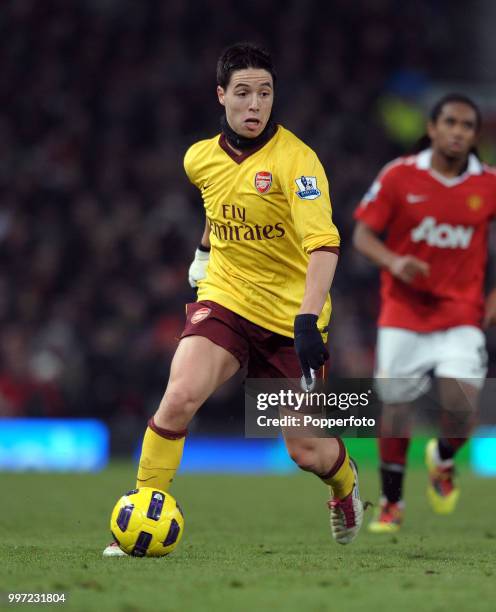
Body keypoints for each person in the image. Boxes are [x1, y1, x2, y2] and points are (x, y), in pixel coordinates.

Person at [104, 43, 363, 556]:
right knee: (179, 396)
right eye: (243, 93)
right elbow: (220, 205)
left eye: (264, 93)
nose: (255, 104)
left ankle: (346, 487)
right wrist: (203, 255)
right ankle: (146, 509)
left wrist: (309, 318)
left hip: (292, 316)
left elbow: (325, 245)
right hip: (226, 298)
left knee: (306, 450)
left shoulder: (299, 163)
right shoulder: (199, 158)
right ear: (221, 95)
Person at [352, 93, 496, 533]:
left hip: (460, 313)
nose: (458, 131)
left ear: (475, 134)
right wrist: (395, 263)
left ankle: (444, 456)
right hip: (403, 312)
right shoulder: (399, 176)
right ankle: (392, 503)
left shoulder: (488, 183)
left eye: (467, 126)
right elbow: (362, 234)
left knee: (461, 410)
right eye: (449, 122)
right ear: (432, 128)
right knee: (395, 410)